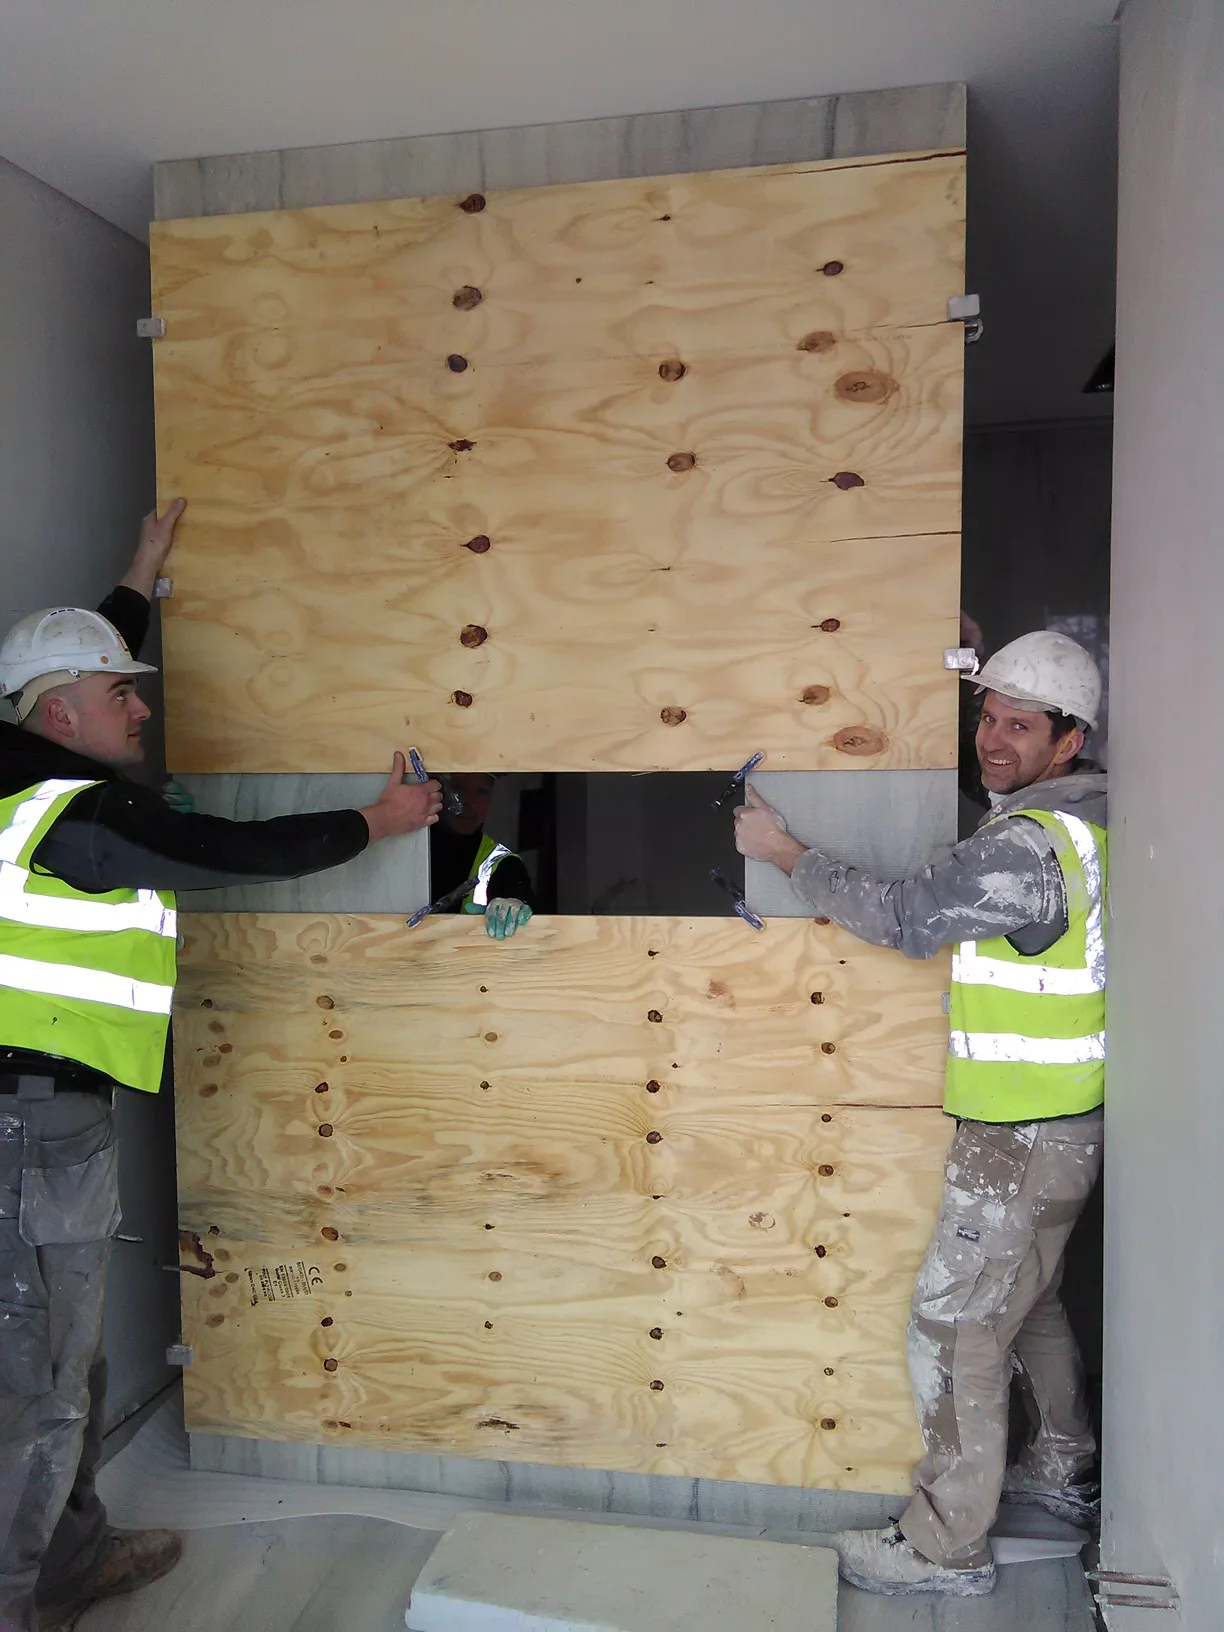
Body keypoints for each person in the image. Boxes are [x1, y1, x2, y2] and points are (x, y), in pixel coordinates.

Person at [0, 500, 442, 1631]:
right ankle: (23, 1599)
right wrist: (378, 821)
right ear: (61, 715)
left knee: (64, 1366)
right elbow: (231, 853)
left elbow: (72, 658)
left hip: (42, 1123)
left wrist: (138, 573)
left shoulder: (16, 763)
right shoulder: (73, 818)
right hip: (29, 1135)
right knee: (40, 1390)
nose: (141, 707)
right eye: (122, 695)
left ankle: (70, 1561)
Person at [734, 630, 1106, 1599]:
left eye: (1020, 725)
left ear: (1069, 742)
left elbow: (904, 916)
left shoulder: (1027, 848)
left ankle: (946, 1543)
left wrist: (785, 855)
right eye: (988, 715)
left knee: (949, 1329)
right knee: (1029, 1307)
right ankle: (1064, 1468)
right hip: (1059, 1129)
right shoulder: (1086, 824)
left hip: (1020, 1138)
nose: (993, 737)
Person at [429, 772, 535, 940]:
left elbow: (524, 904)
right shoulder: (405, 850)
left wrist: (516, 906)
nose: (471, 803)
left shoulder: (503, 863)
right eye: (459, 789)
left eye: (482, 792)